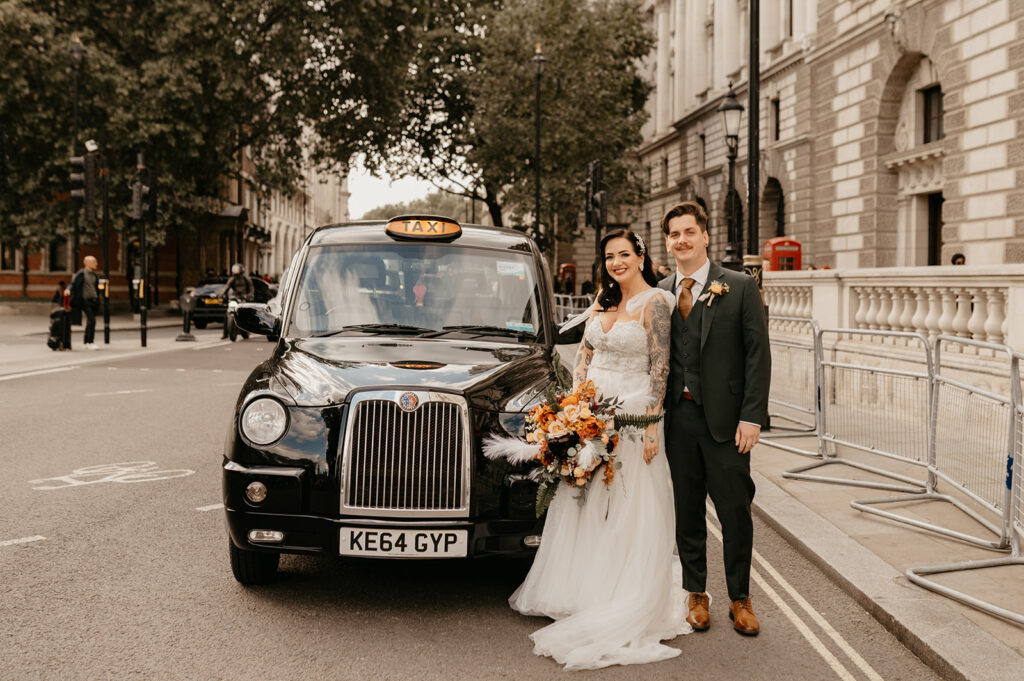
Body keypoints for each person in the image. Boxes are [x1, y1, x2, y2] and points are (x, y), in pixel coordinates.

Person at [509, 228, 690, 670]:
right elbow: (586, 356)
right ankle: (582, 589)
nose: (616, 263)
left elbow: (660, 365)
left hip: (632, 417)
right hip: (589, 415)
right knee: (585, 500)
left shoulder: (657, 304)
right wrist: (570, 410)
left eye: (624, 254)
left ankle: (620, 591)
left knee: (629, 505)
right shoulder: (601, 301)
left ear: (641, 256)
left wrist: (650, 424)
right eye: (610, 256)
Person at [657, 201, 771, 636]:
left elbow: (758, 355)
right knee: (686, 512)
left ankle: (740, 598)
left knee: (735, 512)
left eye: (689, 232)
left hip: (726, 423)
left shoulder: (739, 286)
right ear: (667, 242)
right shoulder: (662, 290)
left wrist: (753, 417)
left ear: (705, 236)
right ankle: (696, 594)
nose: (681, 241)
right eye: (674, 235)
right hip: (678, 421)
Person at [68, 256, 101, 350]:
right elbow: (73, 284)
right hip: (85, 301)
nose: (96, 264)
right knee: (92, 320)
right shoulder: (81, 274)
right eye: (94, 262)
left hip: (94, 300)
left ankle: (86, 342)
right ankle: (90, 341)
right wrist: (68, 290)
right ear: (87, 263)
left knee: (90, 321)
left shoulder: (95, 275)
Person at [223, 263, 254, 339]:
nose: (237, 276)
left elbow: (251, 289)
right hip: (235, 297)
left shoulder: (247, 279)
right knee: (227, 313)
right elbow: (226, 288)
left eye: (239, 274)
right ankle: (225, 333)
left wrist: (250, 295)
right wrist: (222, 295)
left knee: (247, 312)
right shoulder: (232, 279)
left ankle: (248, 328)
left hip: (244, 298)